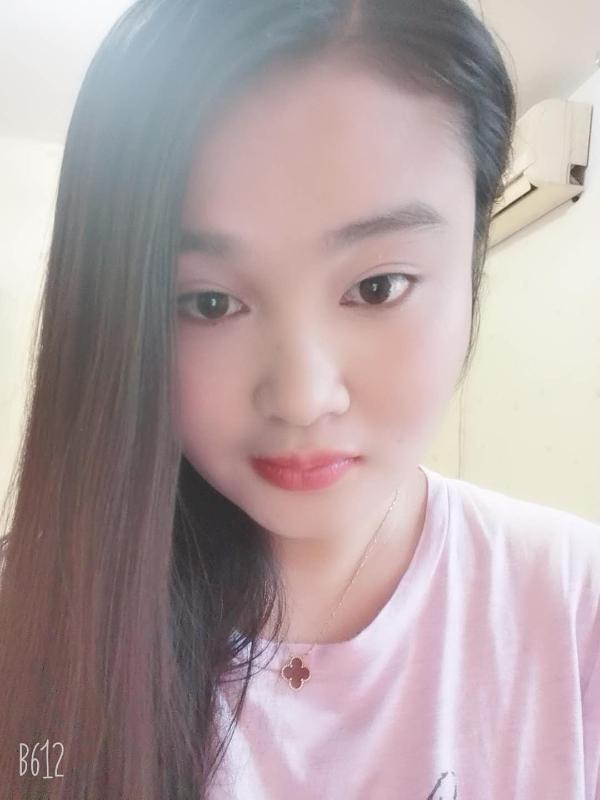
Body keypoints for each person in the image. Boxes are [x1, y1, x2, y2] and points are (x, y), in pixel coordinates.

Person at [0, 0, 598, 798]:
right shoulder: (29, 626)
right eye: (209, 302)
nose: (303, 398)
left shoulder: (575, 609)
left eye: (378, 287)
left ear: (472, 261)